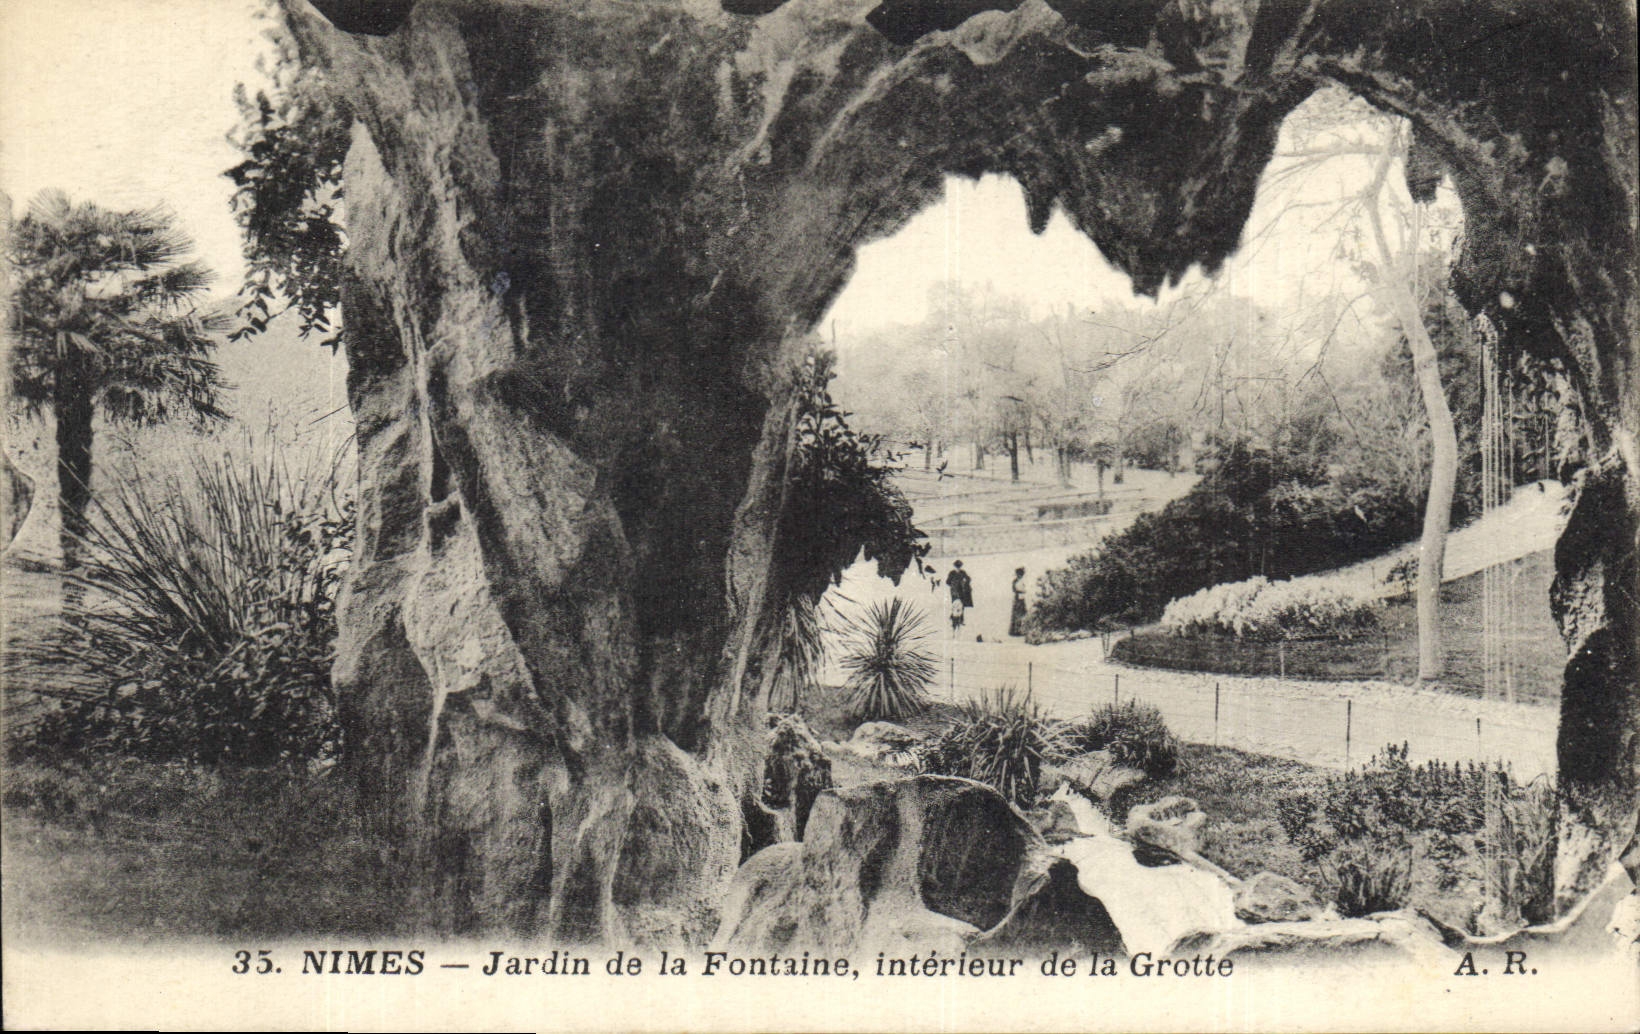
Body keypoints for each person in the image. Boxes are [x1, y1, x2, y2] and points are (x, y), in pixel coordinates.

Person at [946, 560, 973, 634]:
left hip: (960, 592)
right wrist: (954, 584)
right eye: (957, 566)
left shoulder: (962, 572)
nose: (958, 568)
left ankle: (960, 618)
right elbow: (947, 582)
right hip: (955, 592)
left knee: (961, 605)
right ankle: (954, 618)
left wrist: (965, 581)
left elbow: (969, 579)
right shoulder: (953, 573)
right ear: (955, 566)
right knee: (956, 605)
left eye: (959, 566)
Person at [1009, 566, 1028, 637]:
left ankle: (1021, 630)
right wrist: (1021, 591)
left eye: (1020, 574)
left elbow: (1024, 590)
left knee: (1022, 614)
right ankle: (1016, 631)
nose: (1019, 575)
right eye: (1018, 574)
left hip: (1021, 599)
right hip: (1018, 598)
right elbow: (1014, 589)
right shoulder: (1015, 581)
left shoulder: (1022, 581)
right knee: (1017, 614)